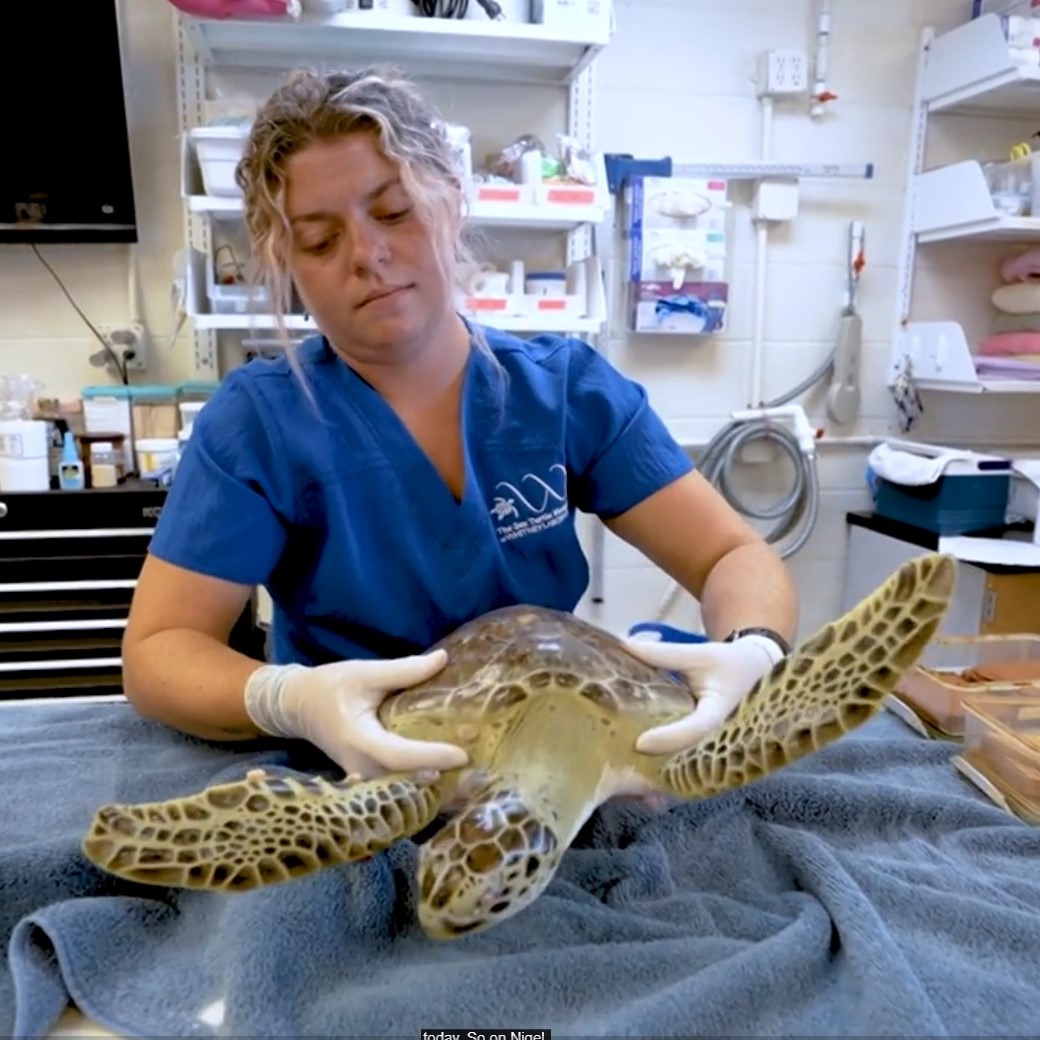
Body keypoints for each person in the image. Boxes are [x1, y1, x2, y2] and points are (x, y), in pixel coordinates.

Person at [122, 65, 798, 782]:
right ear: (285, 264)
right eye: (319, 241)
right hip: (353, 775)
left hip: (550, 749)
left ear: (451, 201)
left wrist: (752, 650)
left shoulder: (565, 391)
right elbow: (160, 649)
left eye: (393, 212)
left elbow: (731, 556)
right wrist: (288, 698)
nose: (367, 255)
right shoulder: (258, 424)